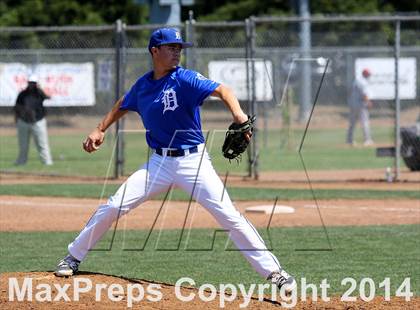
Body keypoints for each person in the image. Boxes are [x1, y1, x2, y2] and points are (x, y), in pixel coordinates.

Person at [54, 28, 296, 294]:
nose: (177, 52)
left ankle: (275, 273)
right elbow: (123, 103)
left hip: (194, 162)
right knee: (113, 206)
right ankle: (73, 256)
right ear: (154, 51)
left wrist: (239, 115)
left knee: (229, 216)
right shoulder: (144, 85)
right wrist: (100, 128)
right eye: (171, 47)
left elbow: (223, 90)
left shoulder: (186, 79)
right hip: (159, 163)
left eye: (179, 48)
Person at [13, 74, 53, 165]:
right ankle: (21, 162)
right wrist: (16, 119)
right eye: (30, 83)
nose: (31, 85)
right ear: (28, 83)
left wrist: (40, 88)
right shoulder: (22, 94)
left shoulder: (39, 93)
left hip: (38, 121)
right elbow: (16, 107)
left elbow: (48, 97)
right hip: (23, 121)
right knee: (23, 145)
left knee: (42, 144)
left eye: (33, 83)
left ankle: (47, 162)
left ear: (36, 84)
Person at [346, 68, 374, 146]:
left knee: (352, 123)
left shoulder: (356, 81)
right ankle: (367, 140)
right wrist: (368, 102)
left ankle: (349, 140)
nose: (369, 76)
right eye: (368, 74)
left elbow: (350, 92)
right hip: (361, 105)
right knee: (365, 122)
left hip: (353, 104)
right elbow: (364, 94)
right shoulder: (363, 82)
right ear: (365, 75)